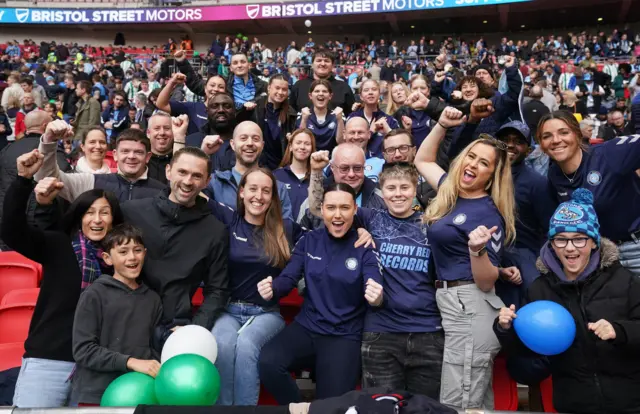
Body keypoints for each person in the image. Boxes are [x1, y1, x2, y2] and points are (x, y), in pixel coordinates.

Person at [495, 189, 640, 414]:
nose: (570, 248)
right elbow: (528, 356)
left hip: (629, 403)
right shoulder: (540, 289)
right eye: (561, 240)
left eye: (579, 239)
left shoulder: (624, 280)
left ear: (594, 242)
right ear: (552, 244)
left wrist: (618, 331)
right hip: (573, 404)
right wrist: (506, 329)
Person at [307, 161, 442, 398]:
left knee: (425, 407)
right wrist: (317, 173)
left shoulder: (431, 225)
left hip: (427, 331)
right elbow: (323, 208)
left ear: (415, 190)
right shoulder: (369, 218)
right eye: (391, 188)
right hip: (382, 332)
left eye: (404, 187)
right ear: (382, 191)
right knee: (380, 406)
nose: (398, 194)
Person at [1, 150, 124, 407]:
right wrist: (23, 180)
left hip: (97, 367)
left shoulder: (123, 263)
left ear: (114, 220)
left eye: (105, 213)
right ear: (79, 217)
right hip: (50, 360)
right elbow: (12, 231)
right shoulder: (59, 245)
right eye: (90, 212)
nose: (97, 220)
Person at [415, 107, 516, 409]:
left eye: (483, 163)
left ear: (491, 175)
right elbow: (422, 160)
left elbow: (486, 281)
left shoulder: (488, 212)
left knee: (458, 402)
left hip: (471, 306)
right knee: (473, 403)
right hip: (455, 305)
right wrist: (442, 125)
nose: (473, 164)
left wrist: (477, 251)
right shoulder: (451, 191)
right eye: (471, 156)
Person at [258, 183, 383, 404]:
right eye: (331, 207)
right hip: (307, 327)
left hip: (344, 336)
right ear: (322, 209)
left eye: (344, 207)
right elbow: (289, 277)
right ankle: (300, 408)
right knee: (268, 362)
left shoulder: (365, 245)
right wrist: (273, 289)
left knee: (330, 405)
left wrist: (377, 295)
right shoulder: (309, 240)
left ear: (355, 209)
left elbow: (374, 282)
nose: (337, 215)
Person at [204, 168, 301, 406]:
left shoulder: (285, 228)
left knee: (247, 345)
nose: (259, 196)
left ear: (273, 197)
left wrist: (360, 228)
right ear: (241, 192)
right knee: (223, 345)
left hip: (265, 313)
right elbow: (193, 193)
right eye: (253, 189)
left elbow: (322, 236)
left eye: (266, 191)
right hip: (229, 309)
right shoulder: (229, 218)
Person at [121, 147, 229, 348]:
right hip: (124, 323)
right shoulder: (131, 212)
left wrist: (194, 329)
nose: (188, 181)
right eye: (182, 172)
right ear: (168, 171)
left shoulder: (215, 231)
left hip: (174, 330)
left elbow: (217, 289)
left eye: (197, 176)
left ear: (207, 182)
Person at [537, 111, 640, 276]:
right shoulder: (553, 174)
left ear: (577, 135)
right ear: (541, 144)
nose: (556, 140)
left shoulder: (608, 154)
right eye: (547, 136)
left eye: (564, 132)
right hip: (601, 257)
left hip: (636, 247)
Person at [69, 224, 162, 406]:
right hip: (94, 396)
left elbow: (153, 347)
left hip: (139, 394)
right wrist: (130, 362)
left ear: (145, 253)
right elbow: (83, 350)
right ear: (107, 258)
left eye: (137, 250)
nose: (132, 257)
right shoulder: (94, 294)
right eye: (123, 251)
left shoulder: (153, 299)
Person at [35, 122, 166, 203]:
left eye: (138, 152)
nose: (131, 156)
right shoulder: (92, 181)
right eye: (125, 151)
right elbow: (49, 179)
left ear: (148, 157)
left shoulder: (162, 192)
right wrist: (48, 141)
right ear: (115, 155)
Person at [202, 121, 293, 219]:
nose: (250, 143)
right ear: (232, 144)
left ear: (262, 146)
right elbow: (190, 196)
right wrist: (203, 153)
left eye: (255, 139)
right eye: (243, 138)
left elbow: (286, 228)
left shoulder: (278, 188)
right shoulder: (215, 183)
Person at [298, 143, 385, 225]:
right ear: (332, 167)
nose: (351, 174)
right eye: (344, 168)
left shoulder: (382, 198)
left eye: (357, 168)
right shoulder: (314, 199)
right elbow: (301, 235)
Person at [249, 74, 297, 170]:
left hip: (281, 165)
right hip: (258, 163)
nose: (280, 92)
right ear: (269, 88)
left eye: (284, 89)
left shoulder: (291, 113)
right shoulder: (254, 106)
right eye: (277, 88)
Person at [156, 72, 227, 135]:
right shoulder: (192, 107)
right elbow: (161, 104)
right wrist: (172, 83)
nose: (216, 89)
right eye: (212, 85)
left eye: (221, 87)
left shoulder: (228, 112)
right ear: (205, 88)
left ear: (225, 91)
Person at [184, 93, 238, 172]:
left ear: (234, 111)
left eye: (226, 106)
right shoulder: (190, 142)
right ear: (207, 111)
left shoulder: (245, 143)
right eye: (215, 106)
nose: (221, 110)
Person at [289, 51, 355, 115]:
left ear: (332, 66)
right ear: (312, 65)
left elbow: (351, 115)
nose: (323, 64)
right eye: (319, 60)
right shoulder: (299, 86)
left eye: (326, 61)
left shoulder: (344, 87)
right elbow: (291, 112)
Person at [347, 79, 399, 158]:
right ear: (361, 96)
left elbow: (399, 146)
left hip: (383, 166)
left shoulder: (390, 120)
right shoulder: (352, 118)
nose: (370, 92)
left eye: (374, 89)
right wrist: (371, 132)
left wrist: (388, 131)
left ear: (379, 94)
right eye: (366, 90)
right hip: (356, 163)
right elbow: (346, 143)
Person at [274, 129, 315, 221]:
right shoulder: (277, 176)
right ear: (290, 147)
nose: (302, 147)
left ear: (312, 148)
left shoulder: (317, 178)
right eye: (298, 142)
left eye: (307, 144)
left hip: (309, 233)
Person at [297, 79, 345, 153]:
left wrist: (339, 120)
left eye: (325, 91)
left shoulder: (337, 115)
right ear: (310, 95)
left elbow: (341, 143)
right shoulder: (303, 115)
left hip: (331, 160)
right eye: (317, 91)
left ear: (330, 96)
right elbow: (300, 142)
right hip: (308, 159)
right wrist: (304, 120)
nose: (321, 94)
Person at [146, 113, 174, 185]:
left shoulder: (181, 160)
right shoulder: (140, 162)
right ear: (148, 133)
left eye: (167, 128)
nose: (162, 133)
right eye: (157, 128)